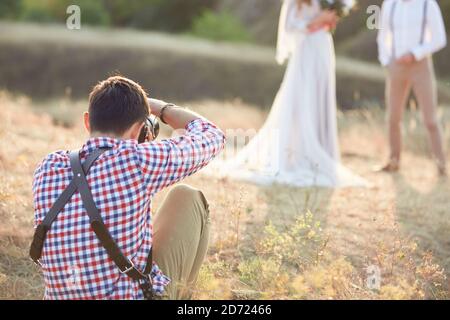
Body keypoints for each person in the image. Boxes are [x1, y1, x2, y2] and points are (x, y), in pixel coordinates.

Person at [31, 76, 225, 299]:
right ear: (139, 129)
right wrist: (158, 108)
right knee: (189, 197)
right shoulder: (136, 161)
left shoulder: (48, 167)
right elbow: (212, 135)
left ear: (87, 122)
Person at [215, 0, 366, 187]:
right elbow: (290, 28)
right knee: (300, 97)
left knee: (321, 96)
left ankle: (323, 152)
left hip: (324, 45)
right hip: (306, 49)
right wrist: (316, 21)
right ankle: (294, 153)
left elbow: (343, 6)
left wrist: (333, 15)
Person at [377, 0, 447, 175]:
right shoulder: (390, 4)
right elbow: (382, 35)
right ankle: (394, 161)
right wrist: (387, 61)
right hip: (396, 65)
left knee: (430, 118)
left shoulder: (427, 4)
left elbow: (440, 39)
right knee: (393, 117)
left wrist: (415, 53)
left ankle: (441, 165)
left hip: (421, 65)